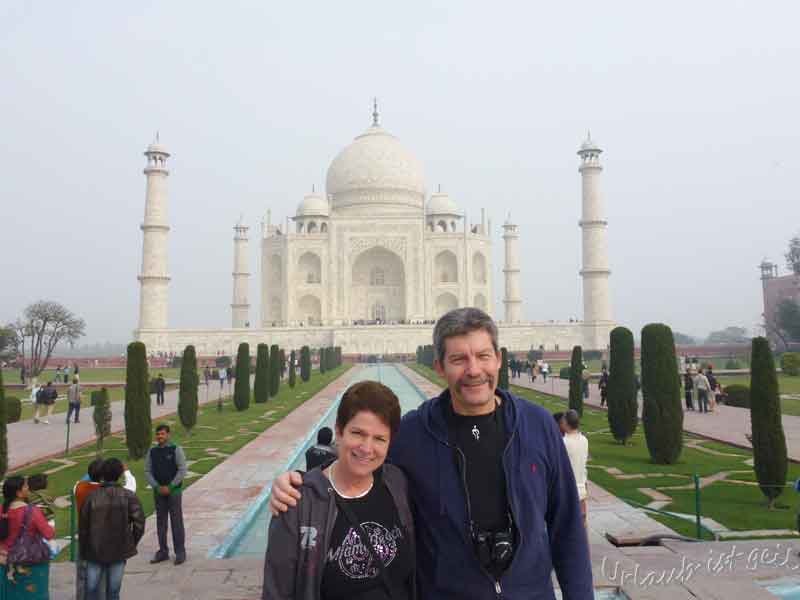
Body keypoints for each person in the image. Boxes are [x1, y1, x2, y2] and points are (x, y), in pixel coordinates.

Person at [270, 307, 592, 598]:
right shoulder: (414, 434)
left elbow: (567, 528)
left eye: (483, 356)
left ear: (498, 359)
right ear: (439, 366)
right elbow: (360, 463)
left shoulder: (536, 426)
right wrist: (303, 483)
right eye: (459, 359)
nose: (474, 370)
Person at [263, 381, 415, 599]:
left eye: (379, 438)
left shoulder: (396, 483)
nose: (366, 448)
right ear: (339, 431)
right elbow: (277, 592)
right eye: (358, 433)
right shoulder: (297, 502)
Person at [79, 458, 145, 600]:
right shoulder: (128, 496)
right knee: (113, 591)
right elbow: (139, 524)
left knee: (91, 589)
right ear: (120, 474)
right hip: (119, 549)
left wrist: (84, 549)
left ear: (103, 474)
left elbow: (83, 527)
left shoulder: (91, 497)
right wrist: (130, 543)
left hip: (94, 550)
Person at [0, 476, 56, 599]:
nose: (28, 488)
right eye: (25, 486)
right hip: (29, 562)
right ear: (19, 493)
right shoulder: (32, 511)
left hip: (4, 561)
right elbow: (49, 534)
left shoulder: (2, 510)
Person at [145, 424, 188, 565]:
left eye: (162, 434)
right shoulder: (152, 452)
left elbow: (182, 470)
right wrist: (157, 486)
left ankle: (180, 552)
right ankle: (163, 552)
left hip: (174, 492)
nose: (160, 436)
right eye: (158, 434)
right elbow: (147, 471)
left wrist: (170, 486)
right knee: (161, 522)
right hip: (158, 492)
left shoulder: (176, 449)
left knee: (176, 522)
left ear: (168, 435)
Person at [74, 458, 105, 600]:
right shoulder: (106, 491)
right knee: (101, 576)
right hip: (100, 538)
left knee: (82, 575)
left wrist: (92, 472)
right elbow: (130, 486)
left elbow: (83, 480)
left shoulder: (79, 488)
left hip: (83, 536)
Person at [562, 410, 589, 529]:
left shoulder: (564, 442)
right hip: (581, 486)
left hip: (568, 488)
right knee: (581, 523)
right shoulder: (584, 440)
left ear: (567, 423)